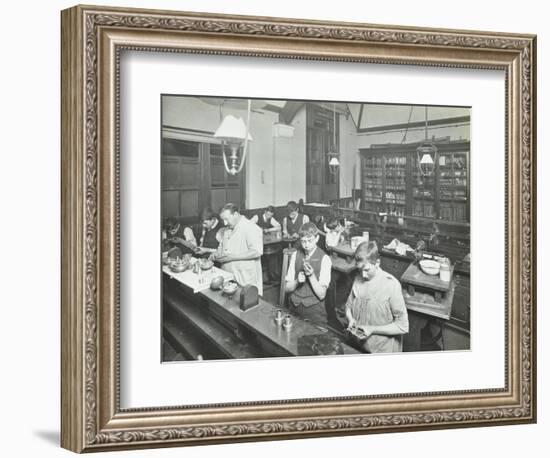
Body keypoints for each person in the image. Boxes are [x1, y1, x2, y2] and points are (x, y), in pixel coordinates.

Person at [345, 241, 409, 353]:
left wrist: (372, 329)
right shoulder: (357, 279)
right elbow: (348, 307)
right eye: (360, 270)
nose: (363, 275)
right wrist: (351, 319)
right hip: (358, 345)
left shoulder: (391, 285)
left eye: (367, 270)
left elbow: (402, 326)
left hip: (381, 349)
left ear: (377, 262)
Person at [284, 222, 332, 326]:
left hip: (314, 310)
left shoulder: (325, 259)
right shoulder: (295, 254)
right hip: (294, 305)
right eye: (303, 241)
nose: (306, 245)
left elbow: (322, 294)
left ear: (317, 238)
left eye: (310, 241)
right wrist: (297, 282)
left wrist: (311, 276)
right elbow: (286, 288)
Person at [212, 203, 264, 295]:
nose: (224, 223)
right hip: (228, 276)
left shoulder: (250, 227)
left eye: (226, 219)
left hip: (244, 278)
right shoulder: (227, 229)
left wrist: (232, 257)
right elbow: (221, 247)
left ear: (235, 214)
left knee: (245, 303)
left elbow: (257, 252)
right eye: (223, 220)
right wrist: (216, 254)